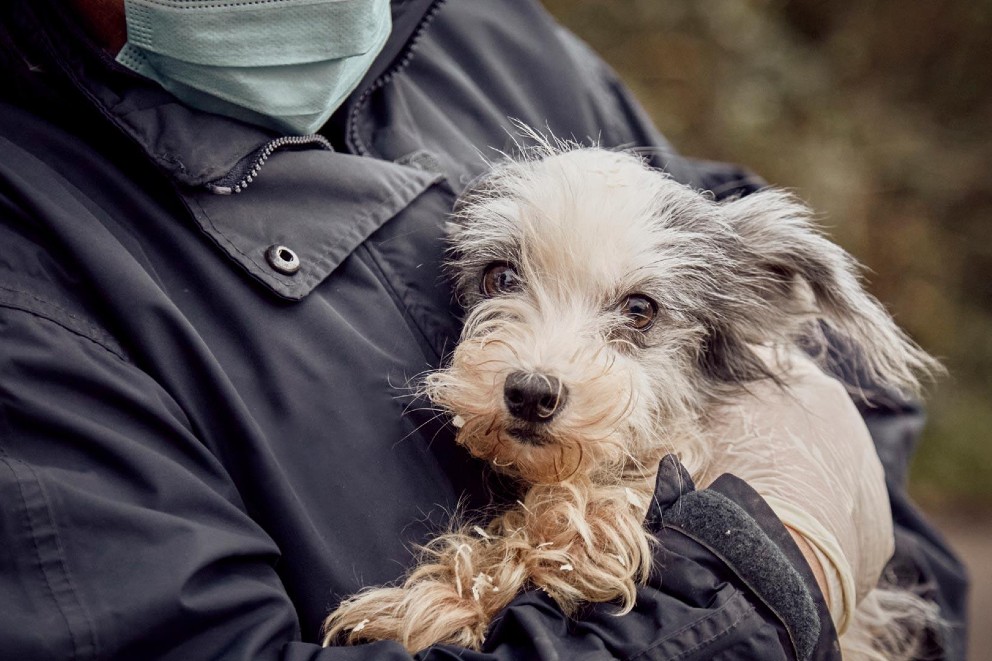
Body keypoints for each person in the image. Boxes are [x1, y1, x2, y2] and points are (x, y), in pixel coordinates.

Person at [0, 1, 967, 659]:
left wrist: (840, 459)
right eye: (504, 280)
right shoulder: (32, 266)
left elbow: (877, 431)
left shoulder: (487, 36)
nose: (540, 361)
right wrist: (761, 575)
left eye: (634, 313)